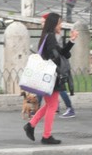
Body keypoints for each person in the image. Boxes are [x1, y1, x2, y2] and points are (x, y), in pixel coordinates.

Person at [23, 13, 78, 145]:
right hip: (51, 76)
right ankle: (46, 136)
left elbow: (63, 53)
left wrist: (72, 41)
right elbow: (56, 55)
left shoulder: (48, 36)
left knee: (50, 105)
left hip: (49, 76)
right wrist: (61, 59)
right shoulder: (51, 37)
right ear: (54, 24)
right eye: (60, 23)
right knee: (52, 105)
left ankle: (31, 125)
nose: (61, 25)